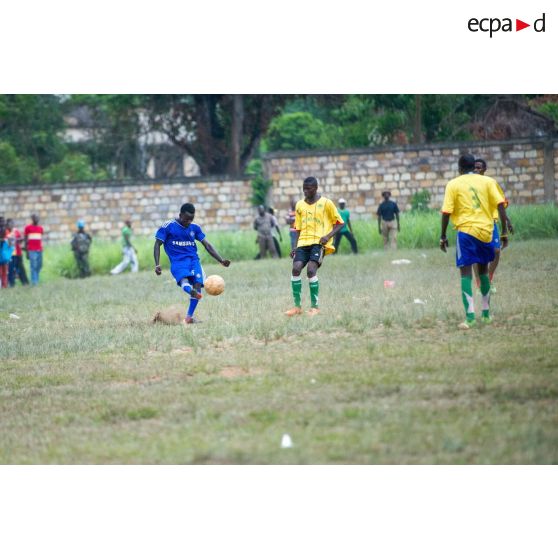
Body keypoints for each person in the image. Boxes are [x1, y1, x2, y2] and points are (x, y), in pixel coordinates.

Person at [440, 154, 509, 330]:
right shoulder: (488, 182)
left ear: (459, 168)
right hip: (486, 231)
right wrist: (504, 231)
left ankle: (470, 318)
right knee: (483, 271)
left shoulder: (453, 184)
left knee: (465, 274)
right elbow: (501, 204)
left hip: (466, 232)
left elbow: (446, 212)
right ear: (474, 166)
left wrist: (443, 236)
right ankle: (486, 315)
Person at [154, 202, 231, 324]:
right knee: (184, 280)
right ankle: (190, 291)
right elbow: (157, 244)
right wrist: (157, 264)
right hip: (178, 261)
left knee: (198, 284)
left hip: (194, 260)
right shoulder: (168, 226)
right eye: (186, 219)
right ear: (180, 215)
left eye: (191, 219)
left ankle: (188, 317)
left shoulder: (195, 228)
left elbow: (207, 245)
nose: (188, 222)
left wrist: (221, 260)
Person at [285, 176, 344, 317]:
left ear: (316, 188)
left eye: (308, 188)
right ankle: (297, 307)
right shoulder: (299, 205)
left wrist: (328, 236)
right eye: (304, 188)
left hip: (319, 243)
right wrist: (295, 246)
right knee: (296, 268)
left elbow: (340, 223)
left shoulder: (326, 203)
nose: (305, 191)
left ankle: (315, 307)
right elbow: (297, 228)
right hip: (303, 243)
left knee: (311, 270)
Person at [473, 158, 514, 292]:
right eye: (474, 167)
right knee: (475, 255)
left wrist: (507, 221)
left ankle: (489, 278)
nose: (476, 170)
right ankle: (479, 281)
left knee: (496, 251)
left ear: (484, 170)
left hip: (491, 222)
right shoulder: (469, 185)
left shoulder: (491, 183)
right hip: (474, 223)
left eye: (479, 167)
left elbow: (499, 204)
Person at [6, 218, 28, 287]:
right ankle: (11, 283)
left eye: (12, 223)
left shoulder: (16, 231)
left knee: (21, 268)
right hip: (10, 254)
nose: (11, 225)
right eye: (10, 223)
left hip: (18, 253)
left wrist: (17, 240)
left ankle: (25, 283)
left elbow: (21, 239)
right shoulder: (5, 232)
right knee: (11, 269)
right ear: (7, 224)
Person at [24, 213, 44, 286]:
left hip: (39, 249)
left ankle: (36, 278)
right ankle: (34, 281)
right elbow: (26, 240)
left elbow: (40, 239)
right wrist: (26, 251)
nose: (37, 219)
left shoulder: (40, 228)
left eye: (38, 218)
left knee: (39, 265)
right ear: (32, 219)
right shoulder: (28, 228)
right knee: (33, 265)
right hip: (31, 250)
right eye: (35, 218)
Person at [0, 218, 13, 289]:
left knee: (5, 271)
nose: (2, 224)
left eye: (3, 222)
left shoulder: (7, 231)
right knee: (2, 271)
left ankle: (4, 285)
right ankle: (2, 285)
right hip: (3, 254)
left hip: (4, 255)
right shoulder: (5, 231)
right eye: (1, 222)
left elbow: (10, 243)